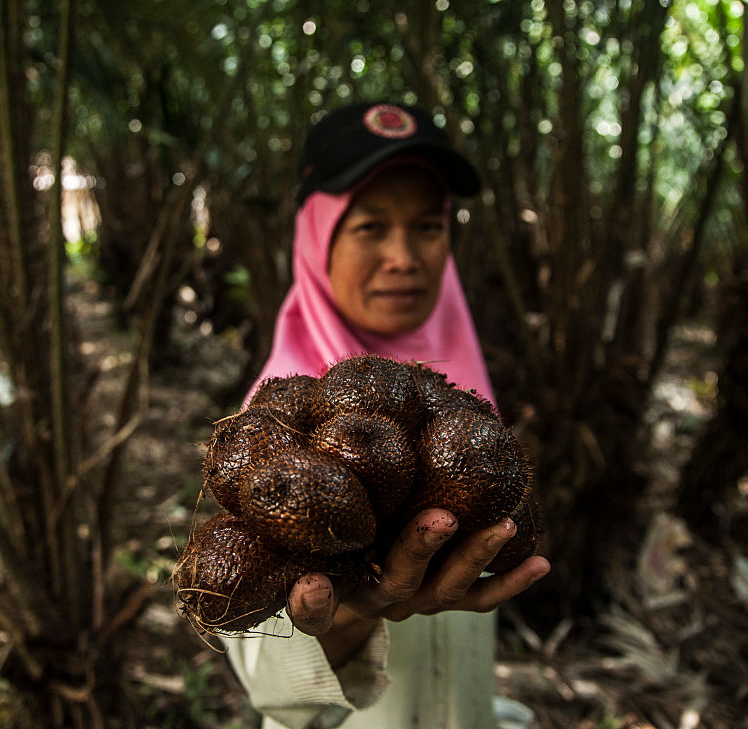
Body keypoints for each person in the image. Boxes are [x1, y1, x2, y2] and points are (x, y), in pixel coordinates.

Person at [223, 101, 551, 729]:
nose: (405, 256)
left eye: (428, 226)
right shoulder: (275, 429)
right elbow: (265, 676)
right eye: (370, 228)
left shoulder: (461, 396)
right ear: (319, 237)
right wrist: (348, 613)